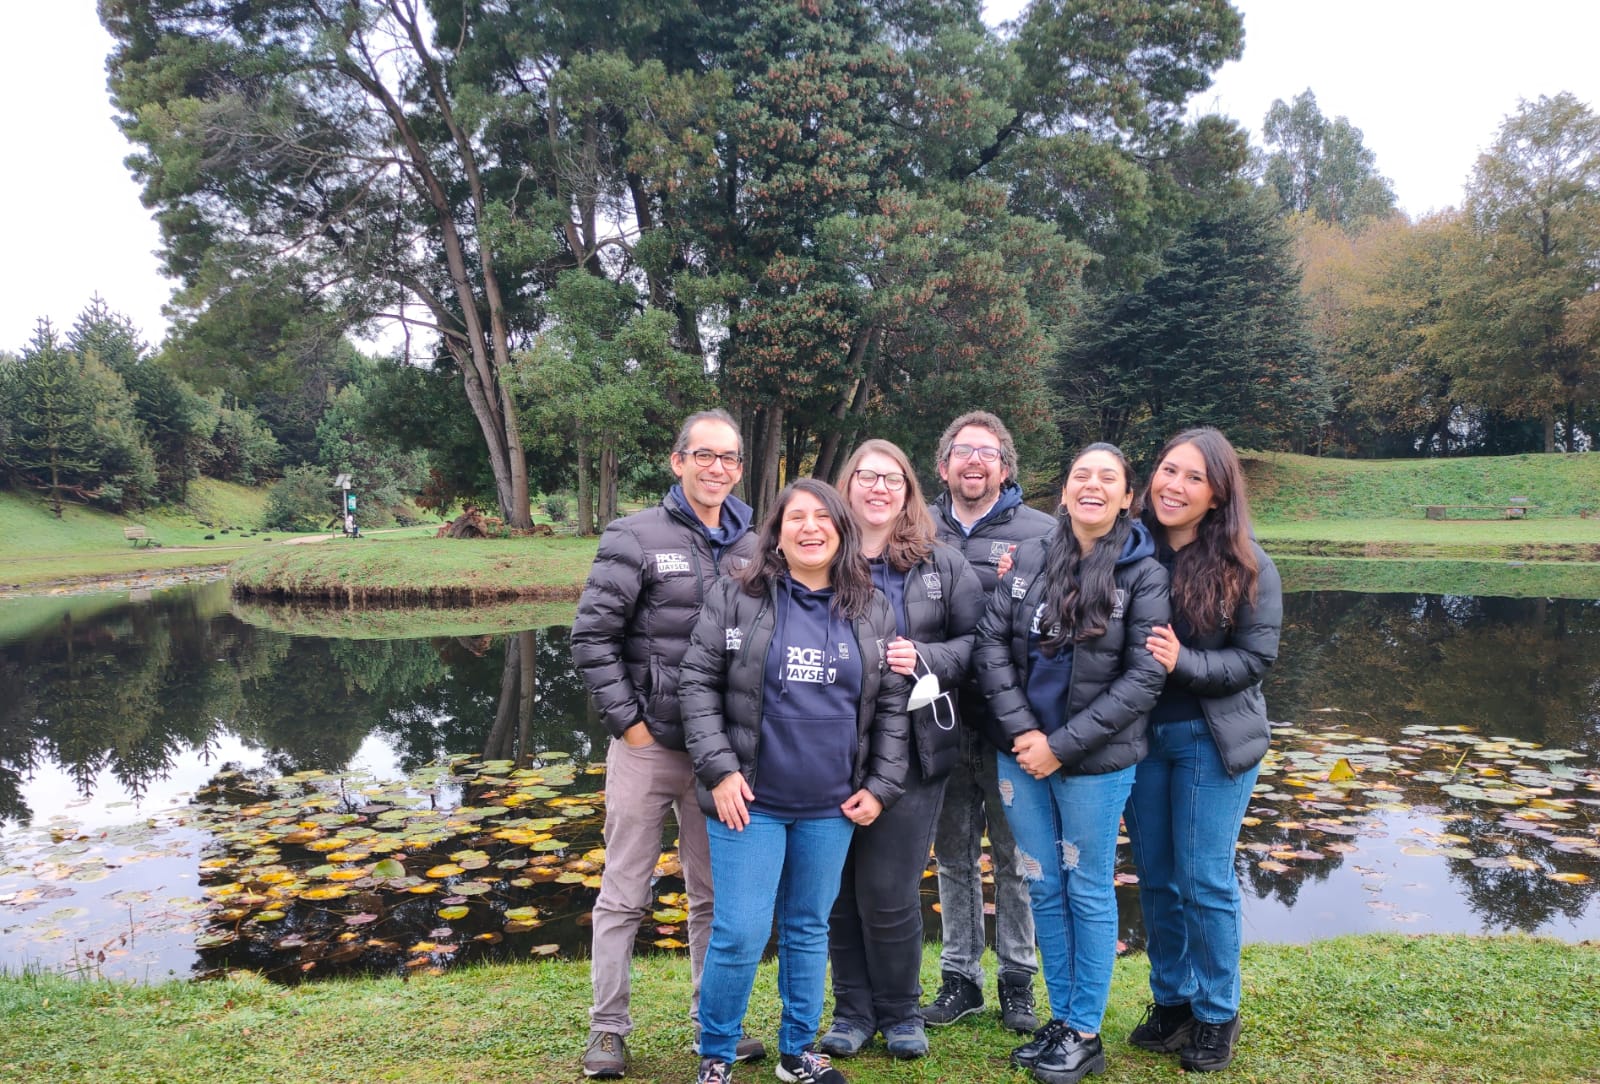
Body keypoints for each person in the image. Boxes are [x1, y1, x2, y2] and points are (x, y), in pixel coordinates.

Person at [678, 479, 911, 1084]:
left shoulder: (873, 607)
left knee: (809, 928)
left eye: (822, 518)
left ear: (841, 528)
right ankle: (717, 1055)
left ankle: (796, 1052)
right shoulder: (737, 595)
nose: (810, 528)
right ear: (776, 533)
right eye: (796, 518)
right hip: (750, 802)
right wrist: (720, 770)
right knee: (741, 931)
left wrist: (881, 786)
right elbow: (696, 686)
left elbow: (891, 705)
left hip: (830, 806)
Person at [570, 409, 765, 1079]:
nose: (718, 468)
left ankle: (713, 1026)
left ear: (740, 468)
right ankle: (607, 1030)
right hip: (649, 747)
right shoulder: (635, 535)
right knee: (625, 891)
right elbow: (591, 638)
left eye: (730, 458)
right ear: (677, 461)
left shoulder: (754, 546)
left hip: (721, 757)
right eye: (704, 455)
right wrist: (630, 723)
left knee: (713, 897)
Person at [974, 442, 1169, 1084]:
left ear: (1125, 498)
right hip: (1020, 754)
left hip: (1095, 761)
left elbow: (1143, 678)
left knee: (1086, 884)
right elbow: (992, 647)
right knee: (1039, 881)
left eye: (1106, 478)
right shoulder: (1029, 558)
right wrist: (1026, 734)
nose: (1091, 485)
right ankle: (1062, 1018)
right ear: (1063, 492)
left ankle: (1086, 1028)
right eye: (1080, 475)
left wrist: (1060, 746)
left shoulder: (1144, 572)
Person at [816, 440, 984, 1060]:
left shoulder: (941, 564)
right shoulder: (819, 555)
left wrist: (926, 658)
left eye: (892, 479)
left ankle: (902, 1012)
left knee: (888, 890)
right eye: (866, 477)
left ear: (909, 490)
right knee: (837, 891)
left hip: (914, 749)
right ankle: (852, 1011)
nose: (878, 489)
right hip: (827, 747)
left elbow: (978, 645)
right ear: (848, 484)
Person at [1122, 428, 1281, 1074]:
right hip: (1138, 740)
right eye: (1167, 470)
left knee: (1203, 878)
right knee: (1157, 880)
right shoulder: (1130, 551)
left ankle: (1218, 1013)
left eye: (1192, 477)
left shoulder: (1248, 565)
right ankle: (1173, 1001)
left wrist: (1183, 662)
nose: (1173, 486)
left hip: (1209, 741)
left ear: (1217, 494)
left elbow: (1254, 659)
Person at [925, 411, 1055, 1033]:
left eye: (987, 451)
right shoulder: (913, 528)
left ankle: (1017, 980)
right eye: (961, 451)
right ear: (943, 464)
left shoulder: (1044, 534)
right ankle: (959, 979)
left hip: (1014, 725)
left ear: (1005, 465)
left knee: (1016, 858)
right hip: (939, 720)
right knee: (952, 855)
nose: (973, 461)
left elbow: (1065, 629)